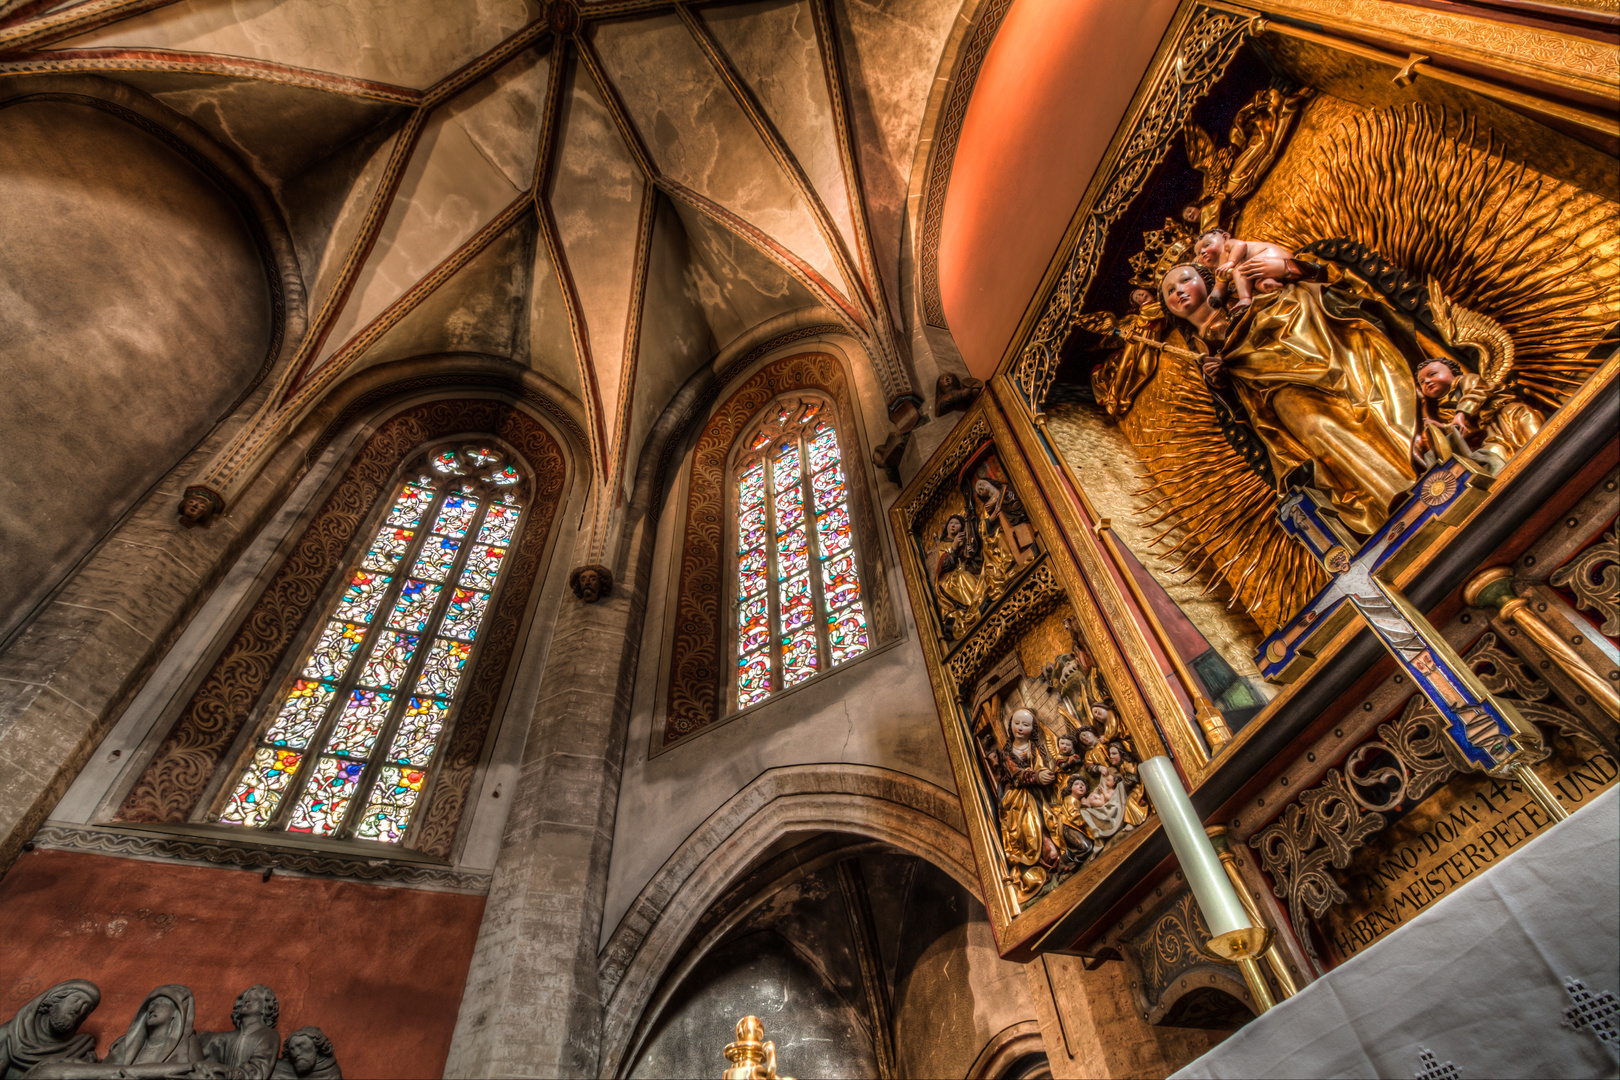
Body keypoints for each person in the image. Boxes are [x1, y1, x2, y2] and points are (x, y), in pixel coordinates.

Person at [1162, 260, 1421, 534]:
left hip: (1306, 353)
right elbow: (1238, 413)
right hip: (1273, 391)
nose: (1178, 291)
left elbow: (1298, 287)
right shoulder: (1199, 347)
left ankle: (1411, 468)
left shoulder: (1241, 294)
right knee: (1318, 429)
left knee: (1363, 406)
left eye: (1185, 280)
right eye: (1169, 291)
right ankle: (1389, 495)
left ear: (1207, 281)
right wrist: (1219, 383)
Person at [1413, 357, 1543, 473]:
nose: (1427, 382)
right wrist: (1443, 427)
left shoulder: (1467, 379)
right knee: (1496, 461)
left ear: (1451, 372)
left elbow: (1476, 394)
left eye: (1432, 374)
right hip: (1491, 432)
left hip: (1511, 414)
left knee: (1537, 442)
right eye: (1422, 382)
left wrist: (1461, 414)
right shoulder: (1443, 409)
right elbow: (1465, 429)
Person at [0, 980, 99, 1077]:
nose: (77, 1009)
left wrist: (85, 1065)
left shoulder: (80, 1046)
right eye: (75, 1000)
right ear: (55, 999)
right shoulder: (13, 1032)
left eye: (84, 1006)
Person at [198, 986, 280, 1080]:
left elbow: (257, 1072)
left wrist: (226, 1071)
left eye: (255, 996)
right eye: (245, 997)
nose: (247, 1000)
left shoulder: (268, 1035)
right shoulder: (224, 1038)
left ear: (266, 1006)